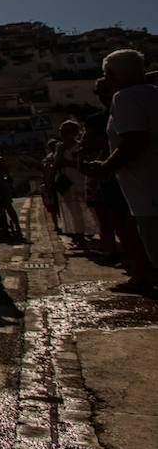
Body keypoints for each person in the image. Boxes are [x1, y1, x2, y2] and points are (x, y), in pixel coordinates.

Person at [86, 49, 158, 281]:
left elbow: (135, 140)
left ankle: (141, 277)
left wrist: (105, 167)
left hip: (147, 190)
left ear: (111, 74)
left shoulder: (125, 97)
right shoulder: (153, 93)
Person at [52, 121, 96, 248]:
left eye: (67, 131)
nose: (64, 134)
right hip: (66, 182)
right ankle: (79, 237)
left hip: (80, 180)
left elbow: (84, 163)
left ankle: (98, 235)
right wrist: (60, 152)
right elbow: (56, 164)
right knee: (74, 212)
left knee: (91, 210)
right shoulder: (60, 147)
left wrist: (66, 162)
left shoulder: (80, 146)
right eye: (62, 131)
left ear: (75, 132)